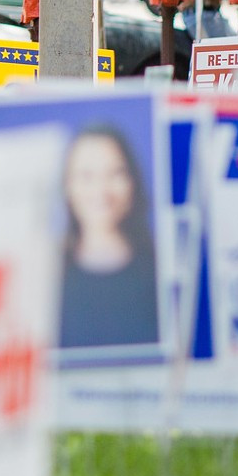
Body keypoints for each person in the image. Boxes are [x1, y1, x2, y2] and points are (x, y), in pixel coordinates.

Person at [58, 125, 161, 351]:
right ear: (67, 186)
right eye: (86, 176)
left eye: (115, 173)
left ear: (133, 182)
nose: (101, 190)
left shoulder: (163, 269)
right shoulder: (44, 277)